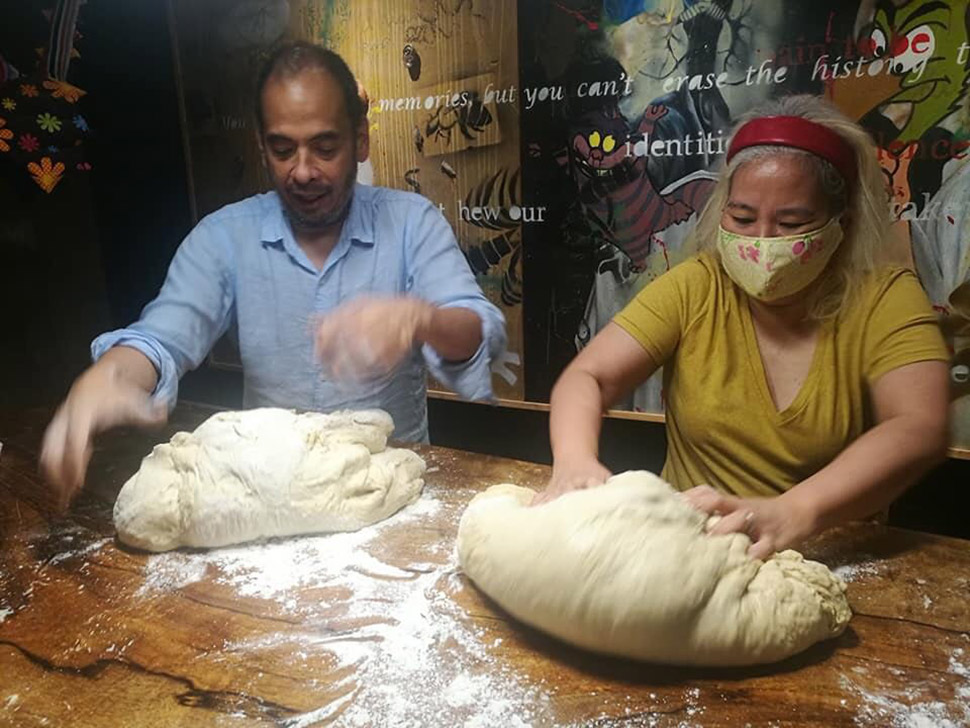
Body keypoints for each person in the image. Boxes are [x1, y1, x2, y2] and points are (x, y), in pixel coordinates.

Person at [41, 42, 506, 508]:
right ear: (262, 147)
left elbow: (478, 334)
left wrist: (418, 318)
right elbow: (163, 337)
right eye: (283, 150)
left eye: (325, 147)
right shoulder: (224, 237)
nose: (302, 172)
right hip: (266, 493)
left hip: (386, 491)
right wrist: (110, 376)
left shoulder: (412, 223)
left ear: (360, 139)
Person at [537, 95, 950, 560]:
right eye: (742, 218)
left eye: (792, 222)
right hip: (689, 548)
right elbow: (586, 377)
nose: (761, 242)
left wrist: (794, 511)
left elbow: (919, 424)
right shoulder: (699, 284)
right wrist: (574, 462)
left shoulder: (882, 296)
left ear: (843, 223)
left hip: (828, 554)